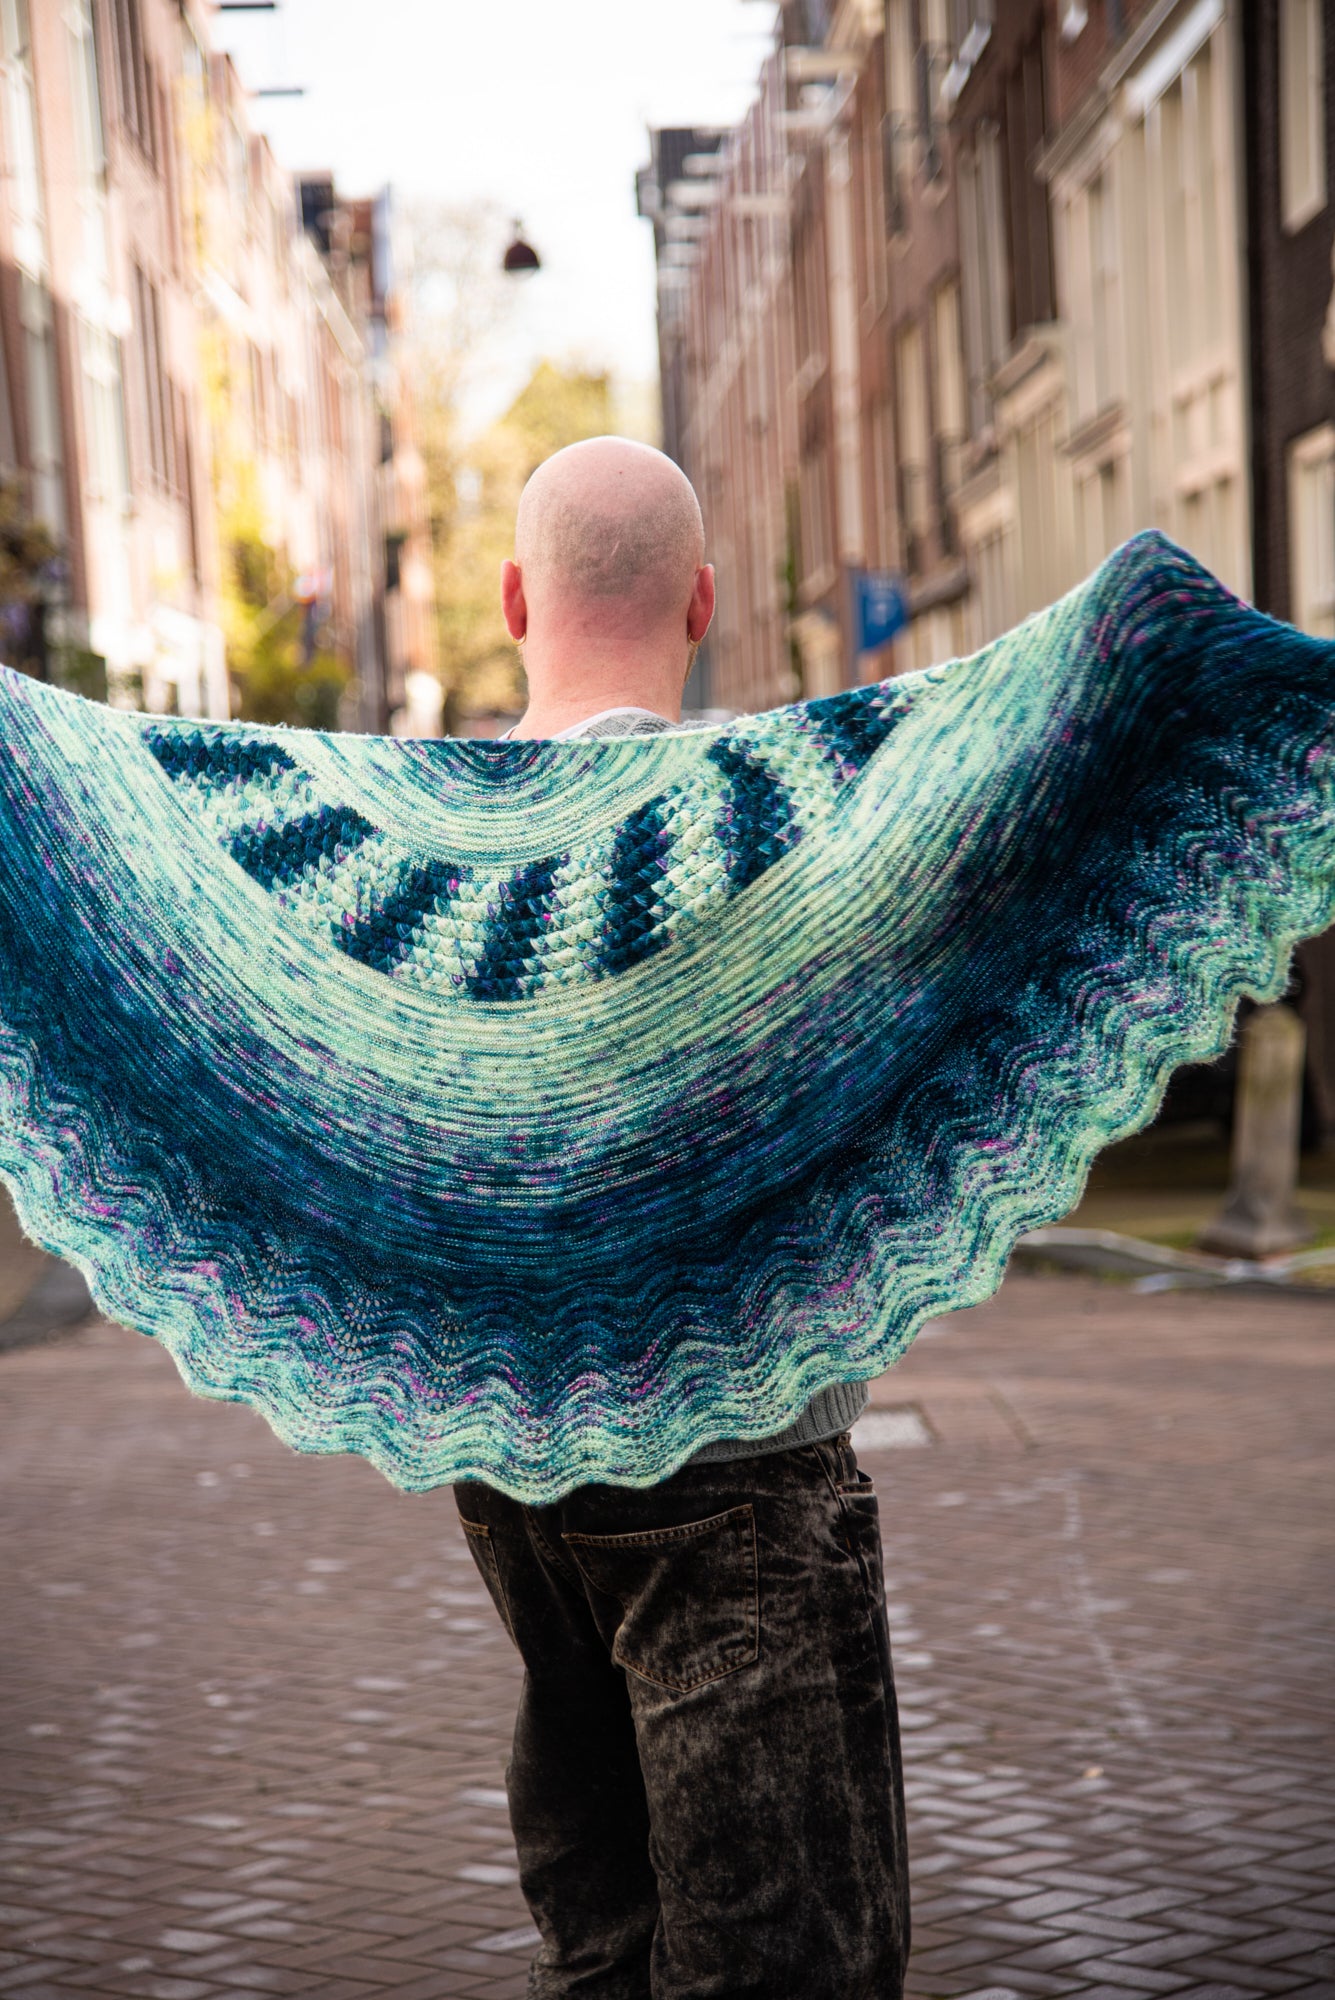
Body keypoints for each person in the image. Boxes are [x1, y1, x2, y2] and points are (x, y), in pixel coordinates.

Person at [453, 437, 910, 2000]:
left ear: (515, 597)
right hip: (735, 1468)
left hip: (511, 1471)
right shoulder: (772, 821)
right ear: (704, 602)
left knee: (603, 1942)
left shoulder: (422, 849)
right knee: (783, 1960)